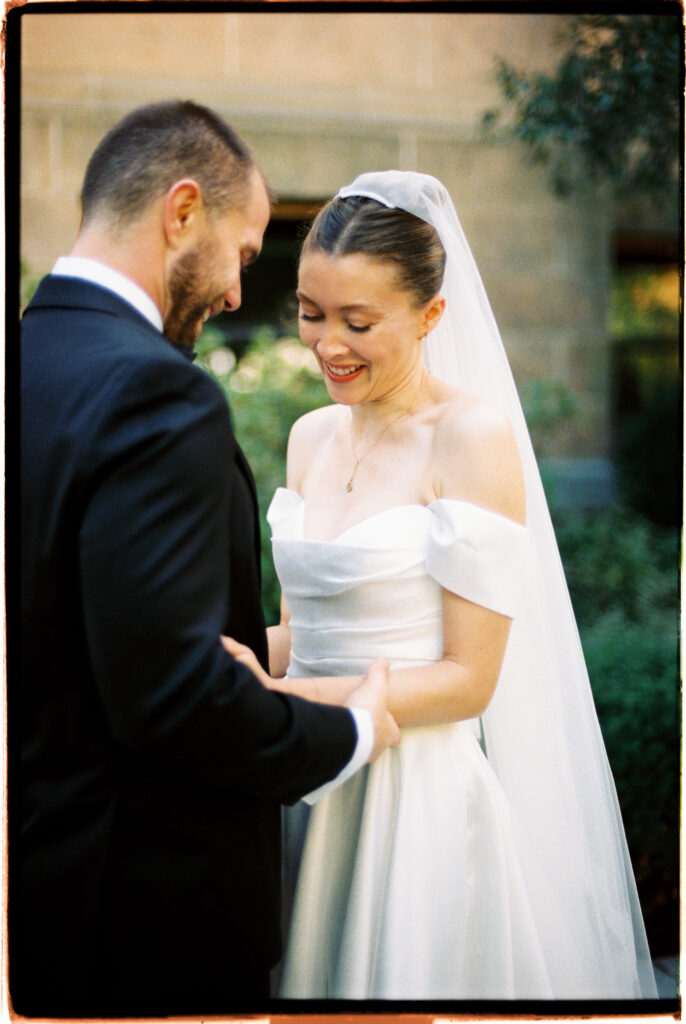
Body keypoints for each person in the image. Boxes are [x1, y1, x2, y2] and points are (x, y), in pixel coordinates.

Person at [223, 171, 658, 1000]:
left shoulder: (470, 437)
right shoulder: (310, 435)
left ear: (431, 317)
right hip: (305, 781)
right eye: (311, 314)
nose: (327, 345)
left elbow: (469, 679)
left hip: (410, 804)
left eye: (359, 321)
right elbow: (301, 632)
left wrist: (285, 703)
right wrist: (222, 660)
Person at [14, 102, 400, 1018]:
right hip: (146, 921)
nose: (236, 292)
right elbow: (173, 698)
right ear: (182, 213)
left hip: (42, 890)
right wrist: (349, 734)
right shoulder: (154, 392)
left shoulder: (24, 356)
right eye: (244, 252)